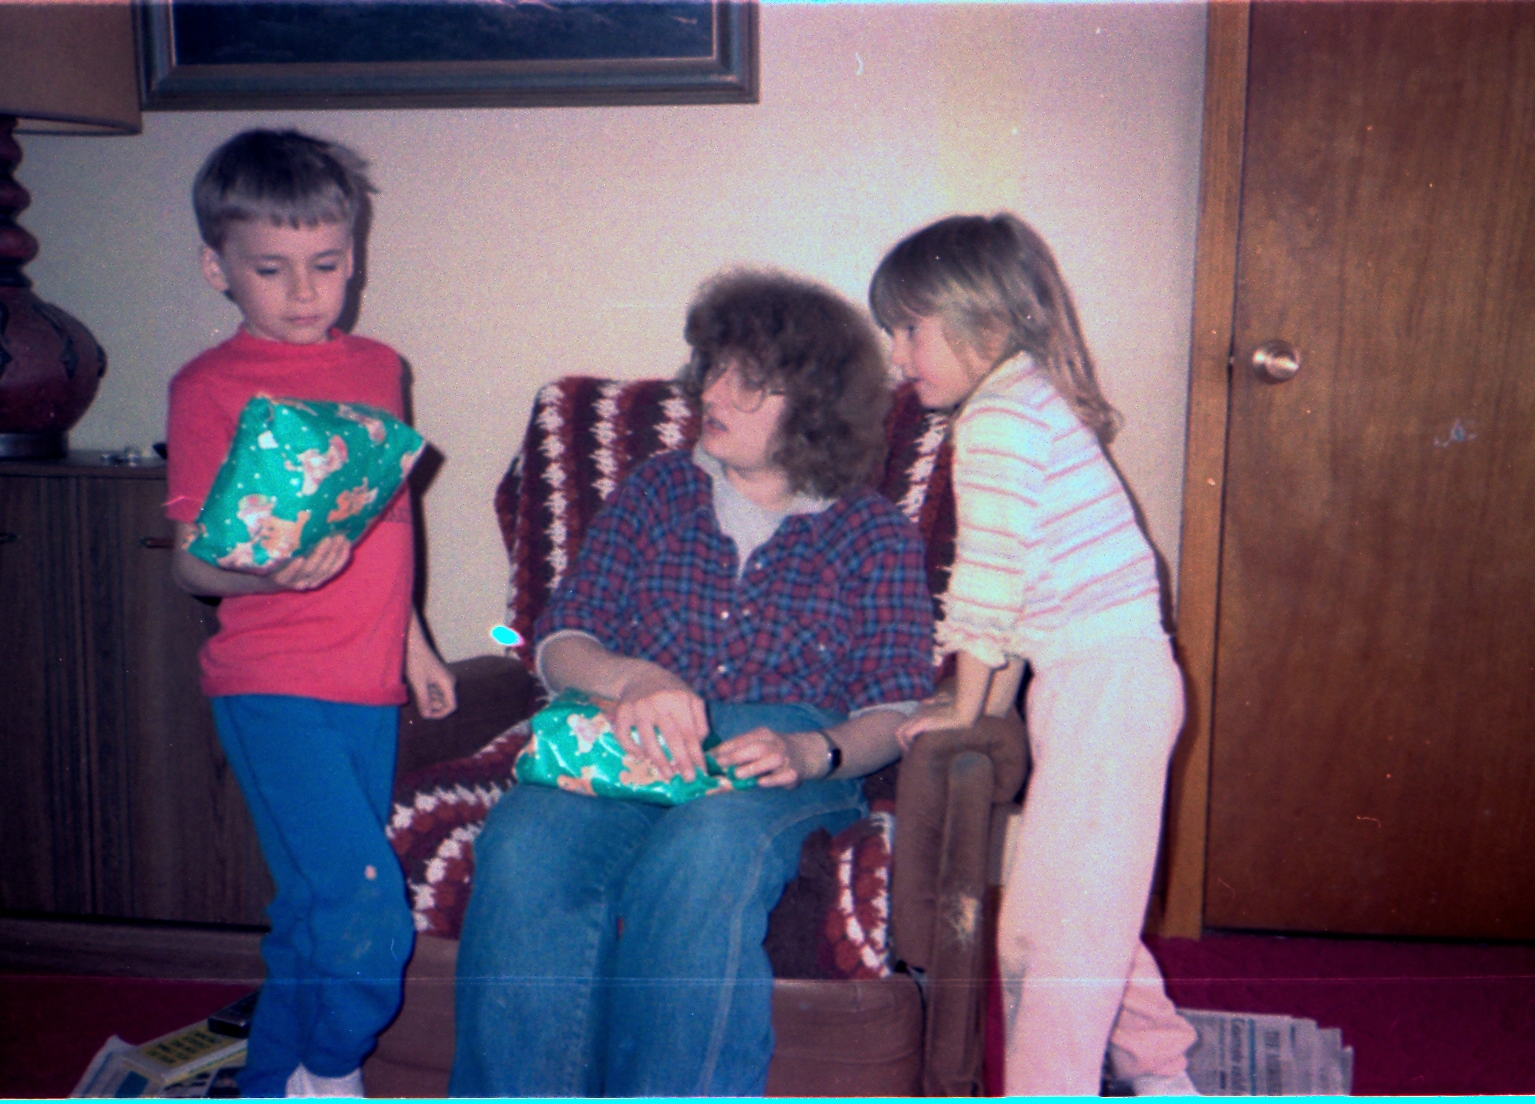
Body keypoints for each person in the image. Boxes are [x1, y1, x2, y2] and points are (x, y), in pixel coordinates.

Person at [448, 269, 935, 1097]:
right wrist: (630, 677)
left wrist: (812, 751)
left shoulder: (873, 532)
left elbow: (895, 705)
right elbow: (558, 642)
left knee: (704, 853)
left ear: (815, 405)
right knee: (524, 846)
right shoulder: (657, 491)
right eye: (714, 368)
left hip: (776, 759)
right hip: (627, 740)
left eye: (749, 382)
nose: (712, 393)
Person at [871, 213, 1199, 1096]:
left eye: (910, 330)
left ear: (984, 322)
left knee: (1056, 940)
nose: (897, 356)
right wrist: (978, 700)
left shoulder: (999, 421)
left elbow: (988, 582)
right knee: (1082, 912)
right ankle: (1164, 1077)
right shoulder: (1021, 399)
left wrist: (964, 702)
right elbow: (1020, 602)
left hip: (1104, 689)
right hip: (1096, 683)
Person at [164, 129, 457, 1098]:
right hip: (271, 685)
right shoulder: (208, 387)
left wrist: (414, 642)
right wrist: (276, 580)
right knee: (367, 907)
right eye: (271, 269)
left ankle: (272, 1084)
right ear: (218, 268)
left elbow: (389, 516)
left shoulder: (380, 368)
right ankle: (331, 1072)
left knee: (308, 912)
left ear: (354, 258)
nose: (303, 292)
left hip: (366, 684)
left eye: (326, 265)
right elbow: (193, 567)